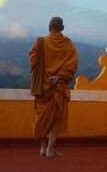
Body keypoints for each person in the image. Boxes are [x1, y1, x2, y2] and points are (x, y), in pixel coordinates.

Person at [29, 16, 78, 158]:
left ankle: (43, 148)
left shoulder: (40, 42)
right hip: (58, 86)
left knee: (40, 117)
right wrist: (60, 76)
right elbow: (73, 63)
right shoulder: (68, 44)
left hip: (42, 87)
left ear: (49, 27)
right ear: (62, 28)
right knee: (56, 118)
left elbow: (33, 62)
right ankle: (51, 149)